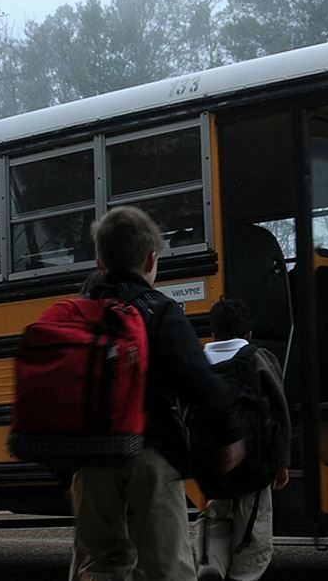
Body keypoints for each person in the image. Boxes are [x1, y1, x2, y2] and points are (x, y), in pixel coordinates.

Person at [70, 206, 246, 581]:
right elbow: (198, 379)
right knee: (166, 565)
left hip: (90, 458)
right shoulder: (159, 310)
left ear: (100, 260)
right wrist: (228, 434)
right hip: (150, 453)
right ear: (152, 259)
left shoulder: (77, 315)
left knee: (101, 563)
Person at [195, 298, 291, 581]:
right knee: (253, 525)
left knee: (215, 517)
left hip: (213, 465)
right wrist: (281, 461)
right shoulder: (259, 358)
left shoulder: (199, 362)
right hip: (254, 462)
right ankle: (243, 575)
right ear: (248, 333)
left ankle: (210, 561)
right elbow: (279, 410)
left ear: (213, 333)